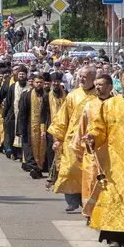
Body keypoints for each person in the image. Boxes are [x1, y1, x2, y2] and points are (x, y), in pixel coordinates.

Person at [83, 67, 124, 247]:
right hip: (114, 160)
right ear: (120, 81)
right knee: (113, 198)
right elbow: (100, 129)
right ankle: (112, 239)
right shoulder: (109, 105)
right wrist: (93, 137)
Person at [48, 66, 97, 212]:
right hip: (72, 139)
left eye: (85, 76)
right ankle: (72, 200)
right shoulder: (73, 95)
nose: (81, 79)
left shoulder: (99, 94)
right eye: (80, 76)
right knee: (69, 170)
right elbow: (63, 118)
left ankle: (86, 201)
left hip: (92, 140)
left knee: (88, 172)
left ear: (93, 78)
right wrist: (58, 138)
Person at [71, 73, 113, 219]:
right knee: (90, 182)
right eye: (96, 85)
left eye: (101, 85)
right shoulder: (89, 105)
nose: (98, 88)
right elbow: (81, 127)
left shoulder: (116, 104)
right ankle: (89, 214)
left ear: (110, 86)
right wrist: (78, 149)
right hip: (92, 151)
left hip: (111, 152)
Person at [17, 74, 49, 179]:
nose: (39, 84)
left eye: (41, 82)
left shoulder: (47, 96)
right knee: (29, 148)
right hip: (29, 127)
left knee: (43, 149)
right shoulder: (26, 95)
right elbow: (21, 113)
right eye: (37, 82)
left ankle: (38, 169)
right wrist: (21, 129)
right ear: (33, 83)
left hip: (44, 128)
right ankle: (33, 168)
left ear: (43, 83)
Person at [1, 65, 30, 160]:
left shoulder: (29, 87)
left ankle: (22, 155)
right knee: (12, 133)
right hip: (13, 114)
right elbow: (8, 102)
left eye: (23, 74)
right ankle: (12, 152)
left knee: (23, 134)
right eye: (20, 74)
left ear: (26, 75)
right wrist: (4, 114)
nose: (21, 76)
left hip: (25, 116)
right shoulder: (13, 87)